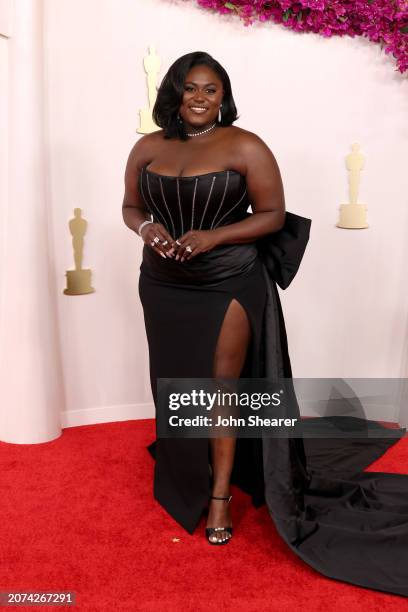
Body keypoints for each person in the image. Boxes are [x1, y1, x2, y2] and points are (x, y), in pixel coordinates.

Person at [123, 51, 408, 596]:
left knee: (222, 390)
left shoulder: (246, 145)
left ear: (223, 95)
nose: (200, 98)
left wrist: (213, 236)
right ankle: (186, 474)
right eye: (190, 88)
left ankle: (220, 498)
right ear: (175, 94)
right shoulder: (147, 147)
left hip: (228, 281)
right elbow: (130, 207)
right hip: (163, 285)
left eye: (211, 89)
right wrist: (147, 229)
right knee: (174, 384)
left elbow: (272, 215)